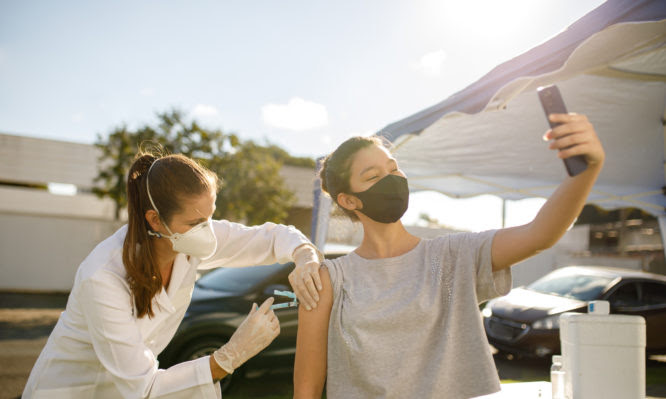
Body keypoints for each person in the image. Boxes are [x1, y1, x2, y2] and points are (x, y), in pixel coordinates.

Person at [293, 113, 605, 399]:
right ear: (348, 200)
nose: (392, 179)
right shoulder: (329, 280)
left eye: (393, 168)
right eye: (374, 176)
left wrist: (586, 171)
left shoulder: (453, 256)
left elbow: (540, 235)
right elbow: (306, 389)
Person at [23, 151, 323, 398]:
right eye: (195, 222)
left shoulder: (186, 240)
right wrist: (230, 356)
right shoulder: (102, 277)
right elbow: (145, 386)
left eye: (210, 216)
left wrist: (304, 256)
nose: (207, 230)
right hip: (70, 391)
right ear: (155, 220)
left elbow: (271, 238)